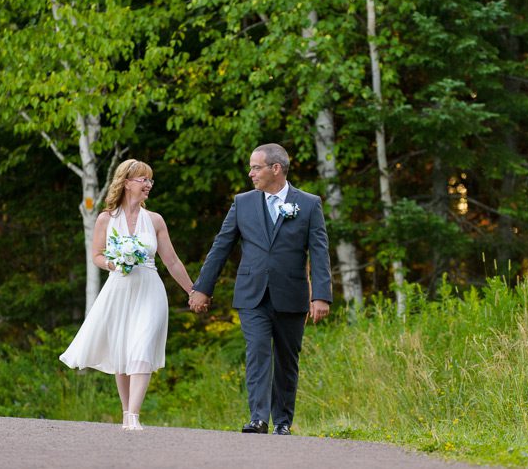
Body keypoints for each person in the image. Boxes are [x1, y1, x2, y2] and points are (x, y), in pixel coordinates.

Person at [190, 143, 332, 436]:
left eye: (256, 167)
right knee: (257, 351)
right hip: (252, 293)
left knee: (286, 359)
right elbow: (221, 246)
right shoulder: (242, 203)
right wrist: (202, 288)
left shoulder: (308, 204)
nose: (251, 173)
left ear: (275, 169)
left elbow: (319, 252)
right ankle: (258, 418)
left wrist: (320, 296)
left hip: (292, 295)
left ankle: (282, 421)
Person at [60, 159, 194, 431]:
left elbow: (172, 262)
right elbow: (96, 255)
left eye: (150, 180)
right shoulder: (105, 219)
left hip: (149, 289)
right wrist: (113, 263)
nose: (149, 185)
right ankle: (125, 412)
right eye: (143, 180)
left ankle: (134, 415)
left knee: (142, 346)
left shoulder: (155, 220)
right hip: (119, 288)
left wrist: (193, 291)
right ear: (126, 183)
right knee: (122, 351)